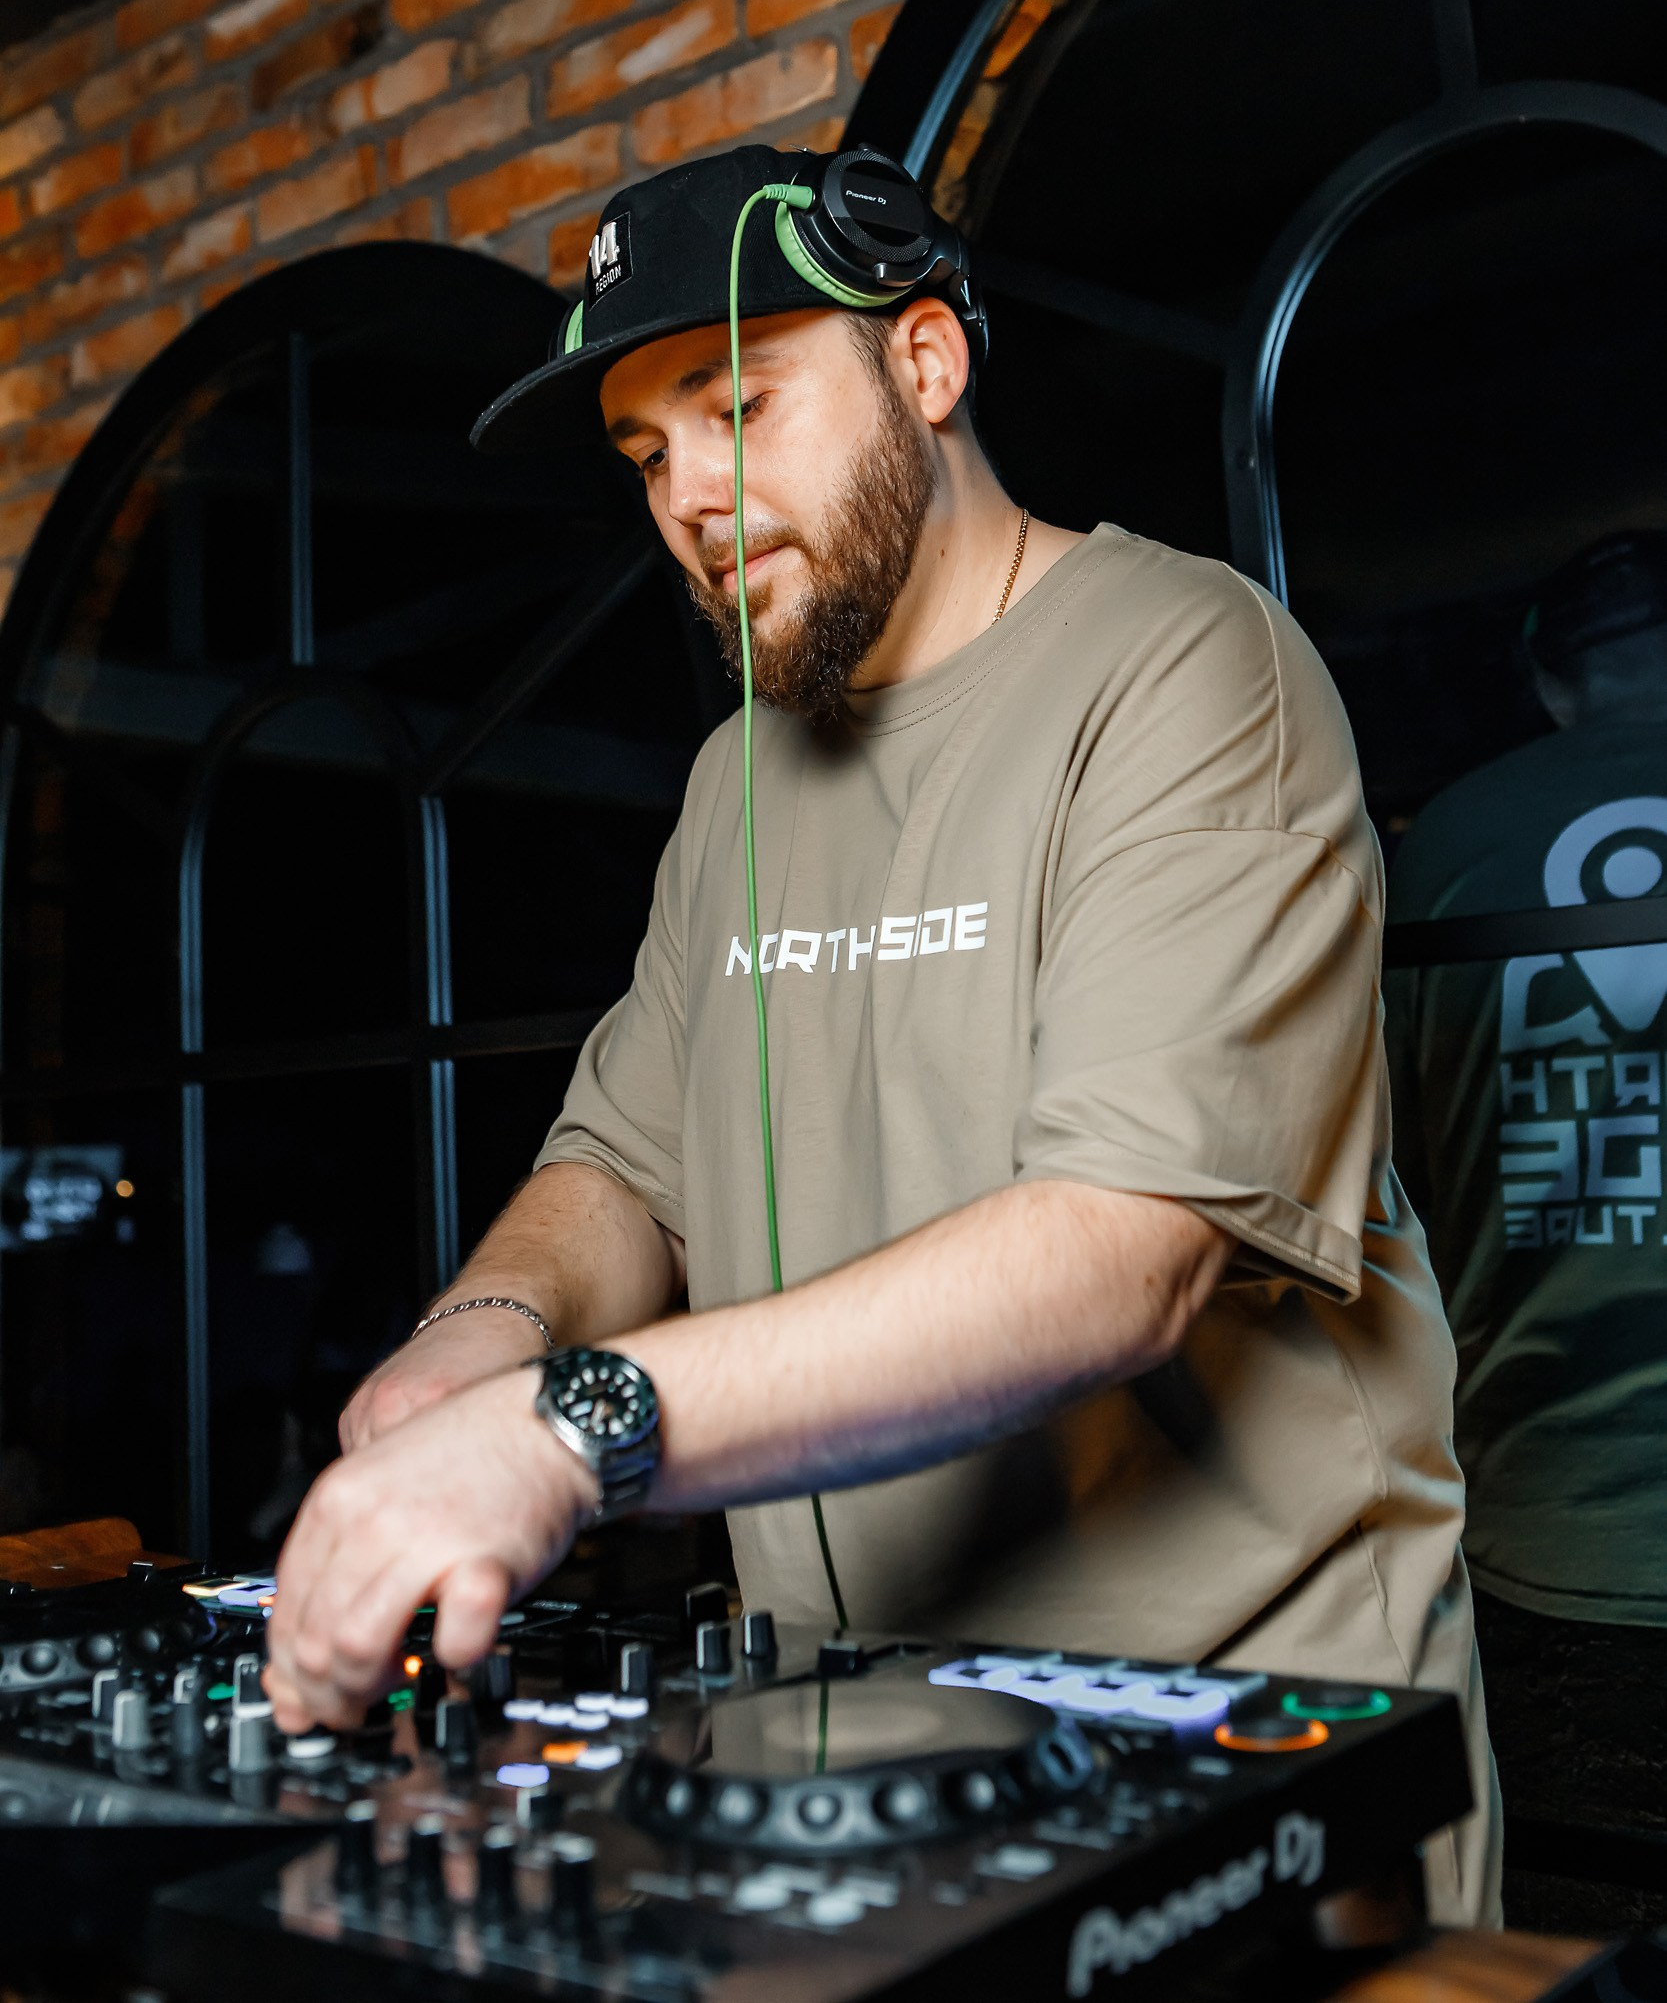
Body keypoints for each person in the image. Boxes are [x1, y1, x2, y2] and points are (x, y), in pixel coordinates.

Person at [264, 144, 1498, 1925]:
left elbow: (1123, 1250)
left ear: (925, 363)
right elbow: (628, 1167)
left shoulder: (1190, 668)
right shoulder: (737, 781)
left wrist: (568, 1427)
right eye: (645, 452)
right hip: (843, 1760)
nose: (692, 495)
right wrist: (477, 1344)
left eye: (740, 407)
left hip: (1240, 1751)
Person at [1386, 532, 1667, 1915]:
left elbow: (1389, 1174)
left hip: (1559, 1532)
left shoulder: (1444, 843)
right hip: (1565, 1536)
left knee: (1580, 1934)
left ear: (1553, 684)